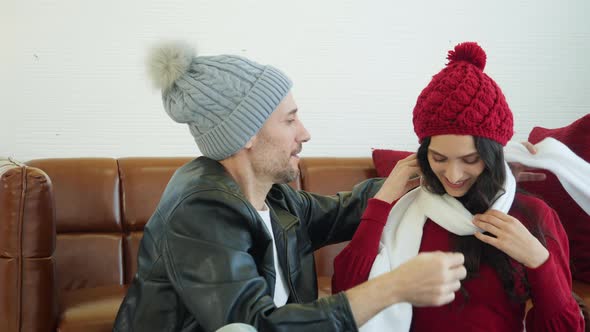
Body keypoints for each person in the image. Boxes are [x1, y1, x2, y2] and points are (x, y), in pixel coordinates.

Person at [112, 41, 468, 332]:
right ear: (246, 134)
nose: (305, 133)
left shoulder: (275, 198)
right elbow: (252, 326)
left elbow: (344, 210)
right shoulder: (201, 210)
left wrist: (424, 170)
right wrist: (394, 287)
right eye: (290, 120)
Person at [332, 42, 585, 331]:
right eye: (439, 158)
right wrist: (385, 198)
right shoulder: (406, 211)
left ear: (492, 156)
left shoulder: (531, 217)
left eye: (470, 159)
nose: (453, 175)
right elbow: (346, 298)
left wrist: (538, 260)